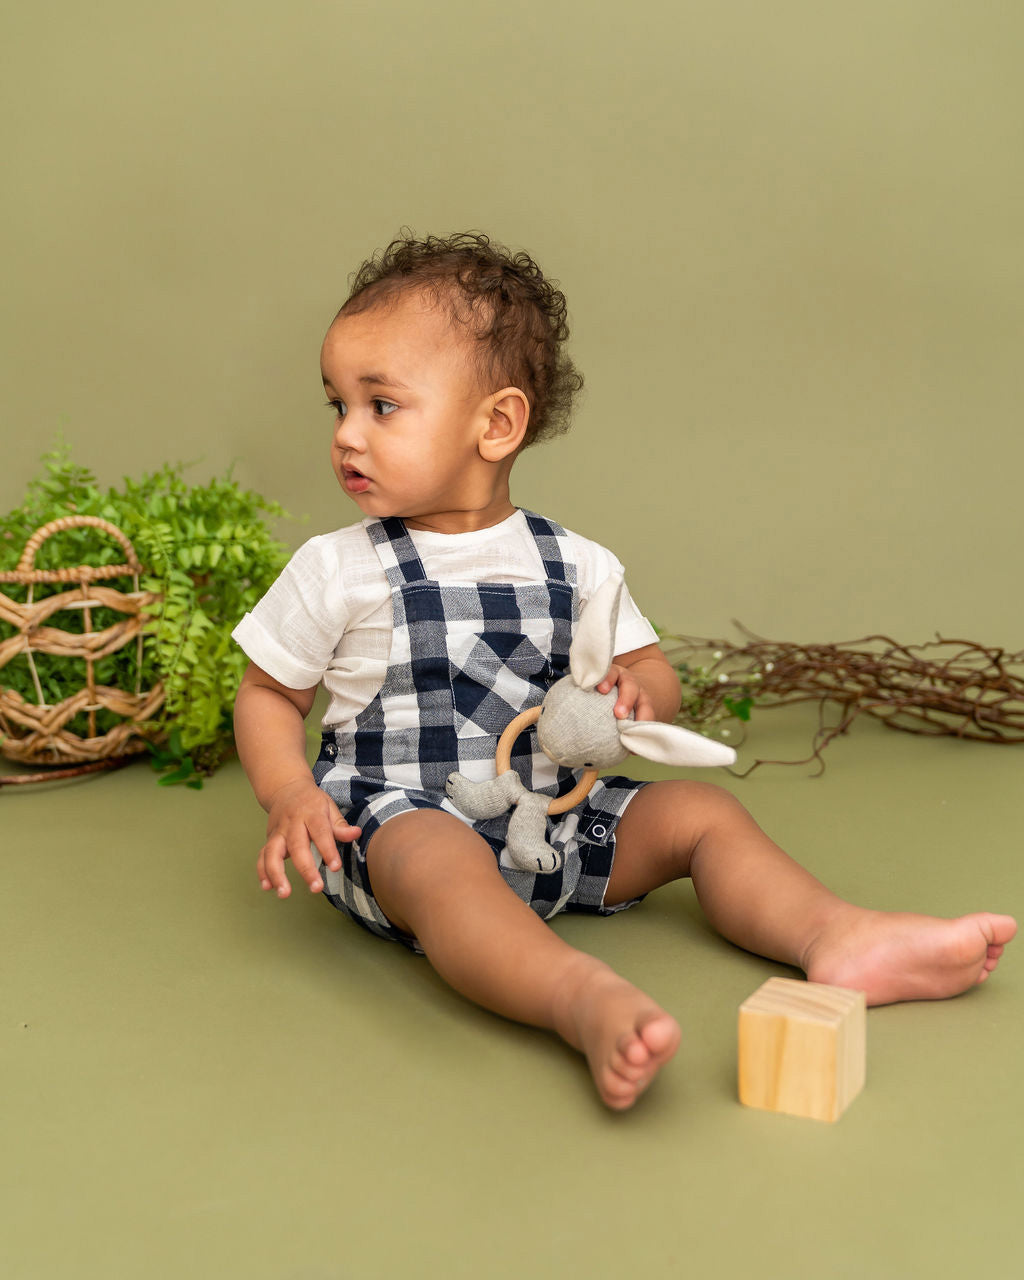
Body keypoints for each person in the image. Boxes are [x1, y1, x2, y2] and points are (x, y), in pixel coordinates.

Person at [232, 232, 1016, 1110]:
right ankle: (577, 997)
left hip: (554, 815)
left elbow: (648, 672)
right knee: (442, 858)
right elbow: (270, 692)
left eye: (381, 406)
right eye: (336, 404)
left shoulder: (576, 564)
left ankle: (837, 935)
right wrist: (289, 792)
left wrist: (639, 692)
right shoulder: (341, 568)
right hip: (396, 824)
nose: (346, 434)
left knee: (702, 814)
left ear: (497, 424)